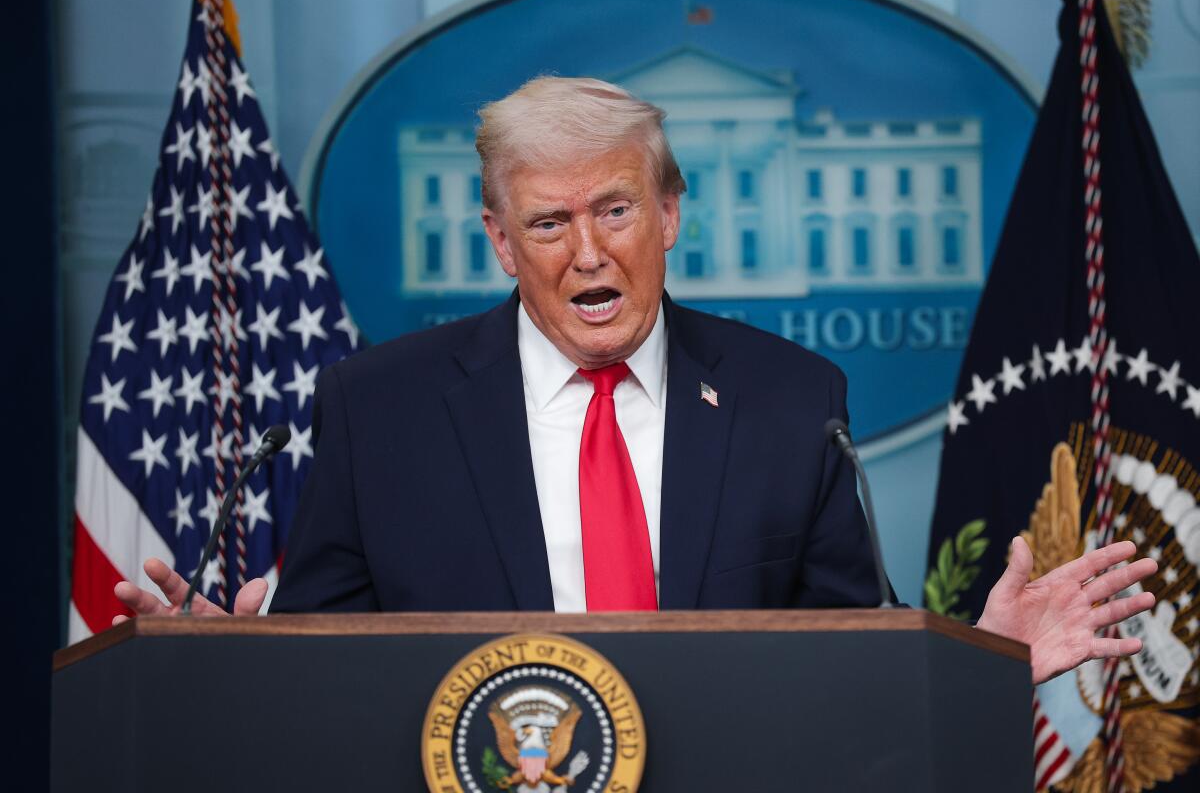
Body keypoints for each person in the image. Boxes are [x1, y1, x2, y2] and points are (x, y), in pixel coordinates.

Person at [114, 76, 1156, 684]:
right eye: (548, 223)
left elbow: (853, 669)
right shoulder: (377, 409)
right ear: (498, 240)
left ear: (668, 214)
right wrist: (230, 673)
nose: (587, 253)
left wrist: (980, 665)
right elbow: (321, 670)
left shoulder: (793, 401)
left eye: (613, 209)